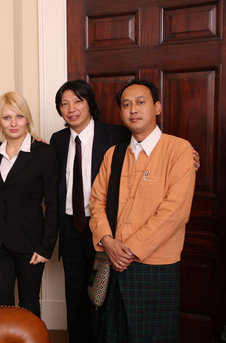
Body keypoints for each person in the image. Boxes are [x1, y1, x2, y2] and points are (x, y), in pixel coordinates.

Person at [89, 79, 195, 342]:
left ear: (157, 107)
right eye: (126, 105)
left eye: (140, 102)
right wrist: (108, 242)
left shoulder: (179, 150)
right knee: (113, 334)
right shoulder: (113, 154)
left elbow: (175, 212)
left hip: (155, 265)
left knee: (153, 336)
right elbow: (96, 202)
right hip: (113, 261)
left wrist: (130, 249)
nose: (133, 109)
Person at [49, 80, 130, 342]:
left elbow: (149, 146)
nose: (71, 108)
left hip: (104, 227)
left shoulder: (116, 135)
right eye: (64, 103)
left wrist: (188, 154)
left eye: (77, 101)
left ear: (89, 104)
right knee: (75, 295)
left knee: (106, 294)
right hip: (72, 227)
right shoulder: (58, 140)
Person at [0, 91, 58, 317]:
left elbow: (53, 203)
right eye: (7, 117)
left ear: (27, 118)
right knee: (0, 304)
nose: (13, 123)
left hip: (30, 244)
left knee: (29, 303)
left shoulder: (44, 153)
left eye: (19, 116)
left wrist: (46, 247)